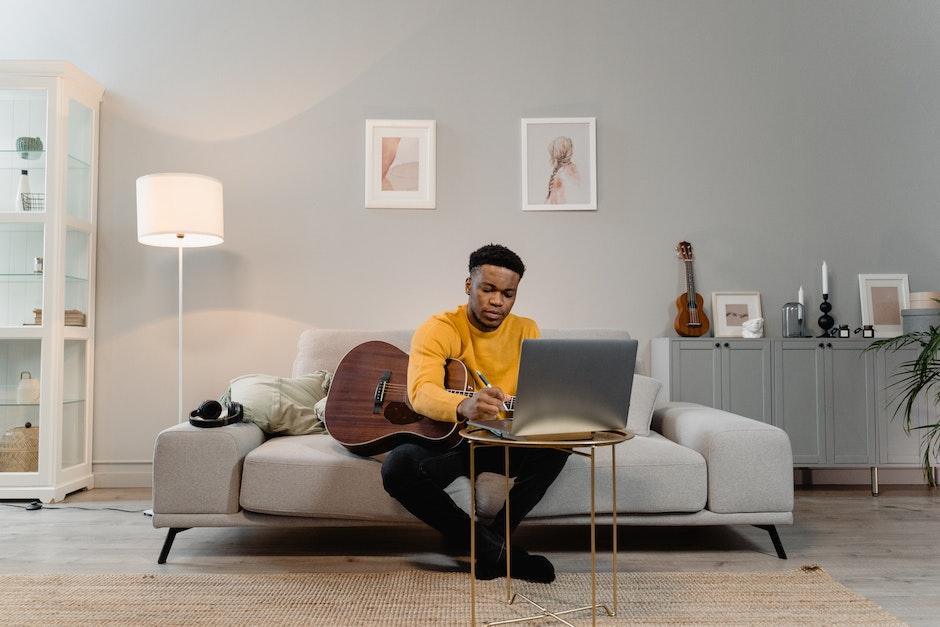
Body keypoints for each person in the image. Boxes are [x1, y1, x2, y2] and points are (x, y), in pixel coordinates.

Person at [381, 244, 569, 583]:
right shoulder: (440, 327)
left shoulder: (527, 329)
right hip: (454, 441)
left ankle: (491, 545)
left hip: (505, 440)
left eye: (508, 294)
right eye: (488, 289)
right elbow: (420, 391)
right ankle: (496, 553)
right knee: (398, 467)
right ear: (469, 285)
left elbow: (536, 394)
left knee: (559, 446)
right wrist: (464, 405)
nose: (498, 301)